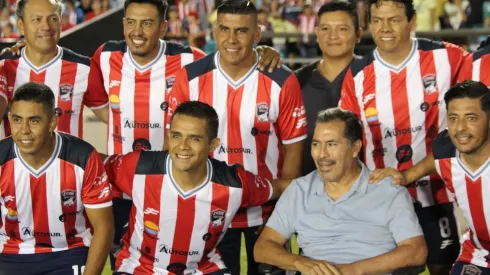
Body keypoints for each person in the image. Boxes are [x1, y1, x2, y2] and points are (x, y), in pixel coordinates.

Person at [90, 0, 284, 269]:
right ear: (123, 24)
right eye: (131, 22)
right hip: (121, 184)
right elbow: (99, 106)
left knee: (179, 261)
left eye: (147, 23)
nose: (138, 31)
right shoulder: (104, 56)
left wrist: (262, 50)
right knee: (129, 263)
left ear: (163, 27)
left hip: (172, 187)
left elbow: (230, 56)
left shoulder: (188, 59)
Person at [167, 1, 308, 273]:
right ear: (215, 31)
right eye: (224, 29)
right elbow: (173, 145)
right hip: (207, 212)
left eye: (241, 31)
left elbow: (293, 152)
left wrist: (282, 211)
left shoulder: (282, 81)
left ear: (257, 34)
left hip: (266, 213)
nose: (231, 39)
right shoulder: (191, 77)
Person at [339, 1, 468, 273]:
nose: (384, 28)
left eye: (394, 20)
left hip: (441, 191)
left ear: (412, 22)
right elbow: (346, 139)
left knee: (442, 266)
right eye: (377, 20)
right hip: (382, 198)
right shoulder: (357, 74)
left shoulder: (448, 57)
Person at [103, 101, 291, 275]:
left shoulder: (235, 183)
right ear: (169, 136)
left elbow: (283, 187)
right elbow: (91, 167)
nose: (182, 146)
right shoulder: (138, 166)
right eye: (176, 136)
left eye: (194, 139)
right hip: (140, 268)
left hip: (204, 269)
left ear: (213, 144)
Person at [254, 107, 427, 275]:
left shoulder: (388, 191)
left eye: (331, 144)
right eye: (316, 144)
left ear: (355, 148)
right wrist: (301, 263)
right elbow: (262, 247)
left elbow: (416, 251)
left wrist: (351, 271)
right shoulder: (299, 190)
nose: (322, 154)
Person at [369, 80, 490, 274]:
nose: (460, 128)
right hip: (478, 254)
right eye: (453, 118)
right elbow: (436, 157)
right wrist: (406, 176)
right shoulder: (445, 149)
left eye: (471, 118)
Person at [0, 82, 114, 275]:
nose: (24, 130)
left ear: (53, 121)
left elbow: (104, 228)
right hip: (11, 252)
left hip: (69, 252)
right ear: (9, 119)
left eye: (34, 121)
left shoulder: (83, 156)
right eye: (18, 120)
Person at [0, 0, 109, 140]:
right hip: (12, 162)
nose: (45, 26)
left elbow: (113, 118)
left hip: (67, 161)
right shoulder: (3, 65)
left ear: (60, 24)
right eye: (37, 19)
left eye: (53, 19)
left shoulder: (84, 69)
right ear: (21, 26)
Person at [295, 0, 362, 176]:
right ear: (316, 33)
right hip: (309, 189)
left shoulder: (373, 75)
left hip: (366, 189)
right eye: (325, 29)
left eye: (342, 29)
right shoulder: (296, 81)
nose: (332, 36)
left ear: (358, 34)